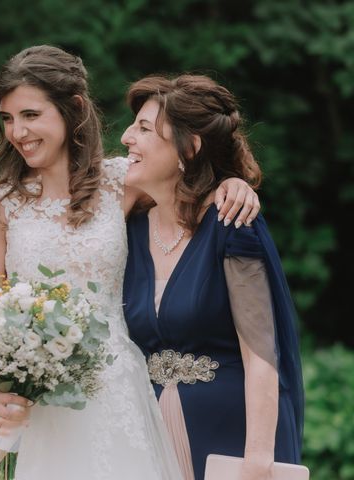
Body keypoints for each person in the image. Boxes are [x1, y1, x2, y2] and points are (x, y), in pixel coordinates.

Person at [0, 45, 260, 480]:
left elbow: (192, 173)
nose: (17, 132)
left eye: (30, 115)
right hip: (24, 397)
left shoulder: (123, 182)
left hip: (112, 386)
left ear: (74, 109)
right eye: (7, 119)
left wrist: (234, 184)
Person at [121, 74, 304, 480]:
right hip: (146, 437)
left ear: (190, 147)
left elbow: (260, 354)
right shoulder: (128, 228)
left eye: (145, 128)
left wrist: (257, 461)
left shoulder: (232, 224)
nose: (126, 138)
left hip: (227, 436)